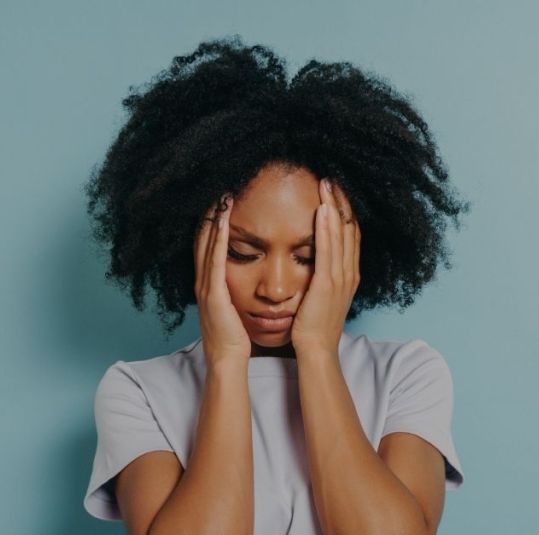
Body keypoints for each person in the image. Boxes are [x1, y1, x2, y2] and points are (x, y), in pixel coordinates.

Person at [81, 35, 470, 535]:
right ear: (190, 241)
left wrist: (318, 353)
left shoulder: (406, 375)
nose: (276, 286)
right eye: (244, 252)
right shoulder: (137, 391)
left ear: (352, 254)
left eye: (308, 256)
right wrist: (224, 364)